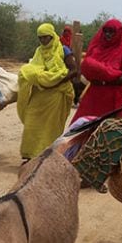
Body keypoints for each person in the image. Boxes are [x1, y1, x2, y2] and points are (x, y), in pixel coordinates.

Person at [17, 23, 74, 161]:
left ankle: (47, 156)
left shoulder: (63, 50)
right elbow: (34, 68)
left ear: (52, 36)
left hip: (56, 95)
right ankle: (30, 156)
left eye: (46, 37)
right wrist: (40, 78)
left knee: (50, 127)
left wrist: (55, 81)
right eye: (40, 38)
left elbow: (74, 70)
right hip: (40, 93)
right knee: (31, 123)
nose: (43, 41)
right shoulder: (39, 51)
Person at [71, 18, 122, 123]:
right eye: (106, 31)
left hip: (111, 98)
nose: (108, 34)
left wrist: (107, 77)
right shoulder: (96, 49)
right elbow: (87, 67)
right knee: (80, 127)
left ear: (119, 33)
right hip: (94, 94)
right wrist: (102, 72)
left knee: (107, 131)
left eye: (111, 32)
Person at [60, 26, 85, 105]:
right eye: (65, 31)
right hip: (63, 60)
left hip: (70, 60)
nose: (66, 33)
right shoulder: (60, 40)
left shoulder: (73, 41)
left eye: (68, 32)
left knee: (76, 80)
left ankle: (75, 99)